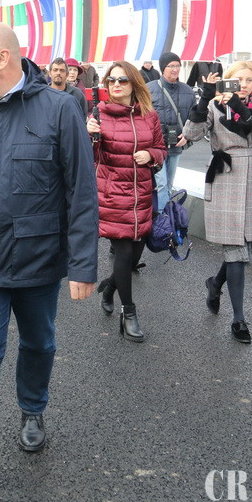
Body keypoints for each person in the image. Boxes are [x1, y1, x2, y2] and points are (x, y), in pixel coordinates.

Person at [0, 23, 98, 497]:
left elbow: (81, 191)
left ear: (2, 57)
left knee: (39, 342)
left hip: (36, 258)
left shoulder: (59, 109)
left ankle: (32, 407)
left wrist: (83, 265)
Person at [183, 61, 252, 344]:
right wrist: (204, 98)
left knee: (246, 250)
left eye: (249, 80)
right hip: (226, 176)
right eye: (238, 80)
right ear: (227, 81)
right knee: (235, 249)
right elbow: (191, 135)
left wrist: (240, 107)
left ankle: (215, 283)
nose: (244, 85)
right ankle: (238, 319)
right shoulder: (214, 106)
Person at [86, 61, 166, 341]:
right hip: (112, 195)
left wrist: (151, 155)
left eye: (122, 80)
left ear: (134, 83)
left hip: (142, 194)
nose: (116, 84)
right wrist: (89, 136)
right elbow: (89, 158)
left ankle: (110, 288)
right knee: (122, 252)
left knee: (133, 256)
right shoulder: (98, 115)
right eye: (111, 80)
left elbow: (161, 148)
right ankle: (128, 313)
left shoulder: (149, 115)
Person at [148, 51, 196, 212]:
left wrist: (188, 136)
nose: (175, 69)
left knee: (168, 184)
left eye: (177, 65)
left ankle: (164, 217)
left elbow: (194, 118)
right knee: (161, 183)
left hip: (176, 145)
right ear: (163, 68)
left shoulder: (188, 91)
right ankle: (163, 218)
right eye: (171, 66)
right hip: (156, 146)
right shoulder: (149, 89)